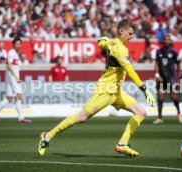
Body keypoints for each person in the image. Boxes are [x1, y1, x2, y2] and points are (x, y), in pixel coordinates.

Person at [37, 19, 155, 157]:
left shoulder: (111, 42)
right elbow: (131, 72)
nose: (131, 36)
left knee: (141, 112)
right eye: (129, 33)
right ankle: (47, 136)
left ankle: (123, 143)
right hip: (105, 91)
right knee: (81, 117)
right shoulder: (121, 49)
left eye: (132, 34)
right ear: (121, 31)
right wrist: (144, 89)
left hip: (116, 92)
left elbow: (100, 43)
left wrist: (104, 40)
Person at [0, 37, 32, 123]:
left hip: (11, 79)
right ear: (13, 44)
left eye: (20, 44)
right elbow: (9, 65)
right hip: (13, 79)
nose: (19, 45)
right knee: (18, 96)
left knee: (9, 99)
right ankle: (21, 117)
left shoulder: (16, 54)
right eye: (17, 44)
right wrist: (16, 77)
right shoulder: (11, 53)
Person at [153, 34, 182, 124]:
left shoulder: (174, 52)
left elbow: (178, 64)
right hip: (161, 78)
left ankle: (179, 113)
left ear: (170, 41)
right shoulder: (158, 52)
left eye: (168, 40)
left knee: (173, 96)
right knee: (160, 95)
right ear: (163, 41)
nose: (167, 41)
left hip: (171, 77)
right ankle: (159, 117)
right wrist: (157, 74)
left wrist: (177, 77)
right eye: (165, 39)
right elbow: (156, 63)